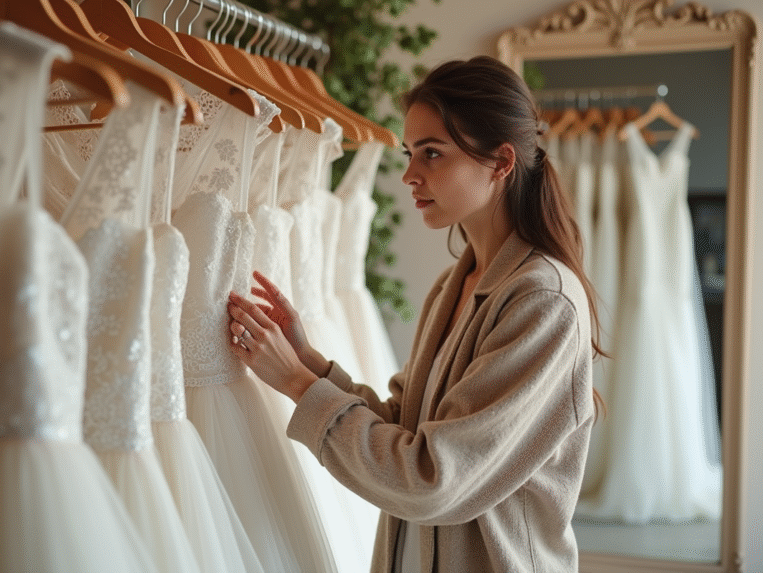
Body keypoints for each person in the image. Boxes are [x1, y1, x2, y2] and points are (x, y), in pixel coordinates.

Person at [226, 55, 602, 572]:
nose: (409, 175)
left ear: (501, 162)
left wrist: (294, 384)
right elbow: (409, 430)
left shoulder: (543, 302)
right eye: (410, 153)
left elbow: (431, 479)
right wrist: (310, 362)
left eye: (432, 154)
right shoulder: (453, 285)